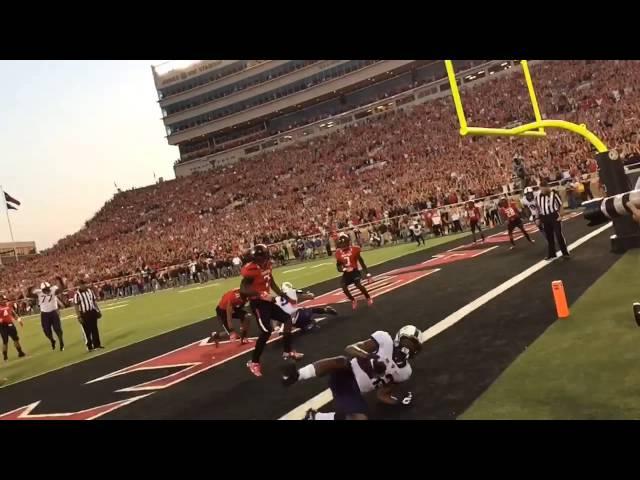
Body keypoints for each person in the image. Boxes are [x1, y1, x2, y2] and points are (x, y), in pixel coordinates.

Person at [281, 325, 422, 420]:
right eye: (407, 343)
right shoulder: (384, 340)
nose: (407, 348)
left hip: (352, 391)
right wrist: (369, 357)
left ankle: (316, 417)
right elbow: (350, 348)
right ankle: (297, 375)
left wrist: (398, 401)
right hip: (345, 373)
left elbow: (382, 395)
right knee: (342, 361)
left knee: (360, 418)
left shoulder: (405, 372)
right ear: (399, 338)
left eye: (412, 346)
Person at [241, 244, 302, 378]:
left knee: (287, 319)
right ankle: (254, 362)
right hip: (258, 304)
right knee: (266, 331)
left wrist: (284, 296)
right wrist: (260, 295)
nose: (261, 261)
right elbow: (244, 289)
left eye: (262, 258)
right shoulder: (250, 269)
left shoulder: (267, 264)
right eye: (258, 259)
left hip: (267, 301)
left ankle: (287, 351)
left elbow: (271, 282)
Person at [335, 233, 373, 310]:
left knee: (358, 285)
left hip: (355, 271)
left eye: (344, 243)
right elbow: (338, 266)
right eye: (342, 244)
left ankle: (368, 297)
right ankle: (353, 300)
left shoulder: (355, 250)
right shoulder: (338, 253)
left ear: (348, 242)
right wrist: (344, 269)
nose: (343, 246)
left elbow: (361, 262)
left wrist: (367, 273)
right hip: (346, 273)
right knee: (343, 287)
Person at [537, 179, 570, 260]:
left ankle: (565, 253)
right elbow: (538, 208)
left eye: (543, 189)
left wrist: (561, 216)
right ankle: (552, 254)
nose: (542, 190)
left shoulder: (554, 194)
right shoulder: (538, 196)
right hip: (544, 217)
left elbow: (560, 205)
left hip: (554, 216)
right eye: (541, 189)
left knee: (558, 235)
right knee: (549, 236)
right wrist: (538, 218)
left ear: (547, 187)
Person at [31, 277, 65, 351]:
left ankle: (61, 342)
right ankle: (52, 340)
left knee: (57, 329)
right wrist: (31, 286)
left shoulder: (53, 290)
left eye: (48, 289)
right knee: (46, 331)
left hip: (53, 312)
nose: (47, 291)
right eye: (45, 290)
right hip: (44, 314)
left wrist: (60, 280)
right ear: (42, 290)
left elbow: (62, 289)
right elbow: (29, 294)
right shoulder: (39, 292)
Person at [73, 278, 104, 352]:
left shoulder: (90, 291)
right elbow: (76, 306)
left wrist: (98, 310)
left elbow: (93, 301)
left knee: (95, 329)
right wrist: (79, 316)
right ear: (79, 285)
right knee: (87, 331)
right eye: (82, 284)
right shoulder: (77, 294)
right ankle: (89, 346)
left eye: (85, 284)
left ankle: (97, 345)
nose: (84, 285)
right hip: (84, 313)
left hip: (92, 311)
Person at [0, 295, 26, 361]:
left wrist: (19, 320)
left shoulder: (8, 306)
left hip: (10, 324)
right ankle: (5, 355)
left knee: (15, 339)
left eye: (4, 299)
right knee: (5, 341)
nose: (4, 301)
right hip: (2, 326)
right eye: (2, 300)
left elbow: (13, 314)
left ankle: (20, 352)